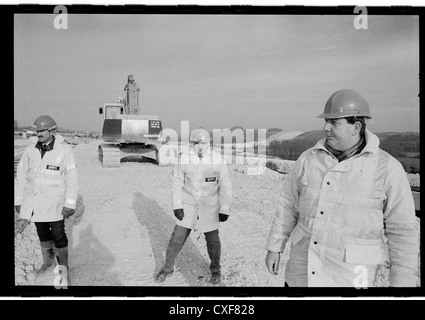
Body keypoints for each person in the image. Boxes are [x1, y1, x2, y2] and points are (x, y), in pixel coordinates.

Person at [265, 89, 419, 287]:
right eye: (326, 121)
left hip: (349, 280)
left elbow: (403, 233)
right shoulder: (308, 159)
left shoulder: (387, 169)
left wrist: (402, 287)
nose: (325, 127)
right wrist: (274, 247)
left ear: (356, 127)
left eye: (334, 122)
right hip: (302, 276)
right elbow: (287, 205)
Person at [155, 128, 232, 285]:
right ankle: (168, 268)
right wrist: (177, 205)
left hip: (209, 205)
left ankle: (216, 271)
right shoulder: (185, 158)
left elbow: (225, 186)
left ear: (209, 143)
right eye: (196, 142)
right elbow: (176, 182)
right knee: (176, 239)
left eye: (203, 142)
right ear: (191, 143)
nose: (200, 146)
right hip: (188, 204)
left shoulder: (217, 159)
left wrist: (224, 207)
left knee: (213, 241)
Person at [14, 115, 78, 286]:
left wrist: (70, 204)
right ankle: (48, 263)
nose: (38, 134)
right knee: (42, 233)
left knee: (58, 234)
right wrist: (18, 200)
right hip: (35, 202)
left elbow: (72, 178)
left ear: (52, 130)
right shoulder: (31, 149)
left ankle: (63, 271)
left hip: (56, 203)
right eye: (37, 131)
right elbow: (20, 175)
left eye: (42, 130)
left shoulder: (65, 150)